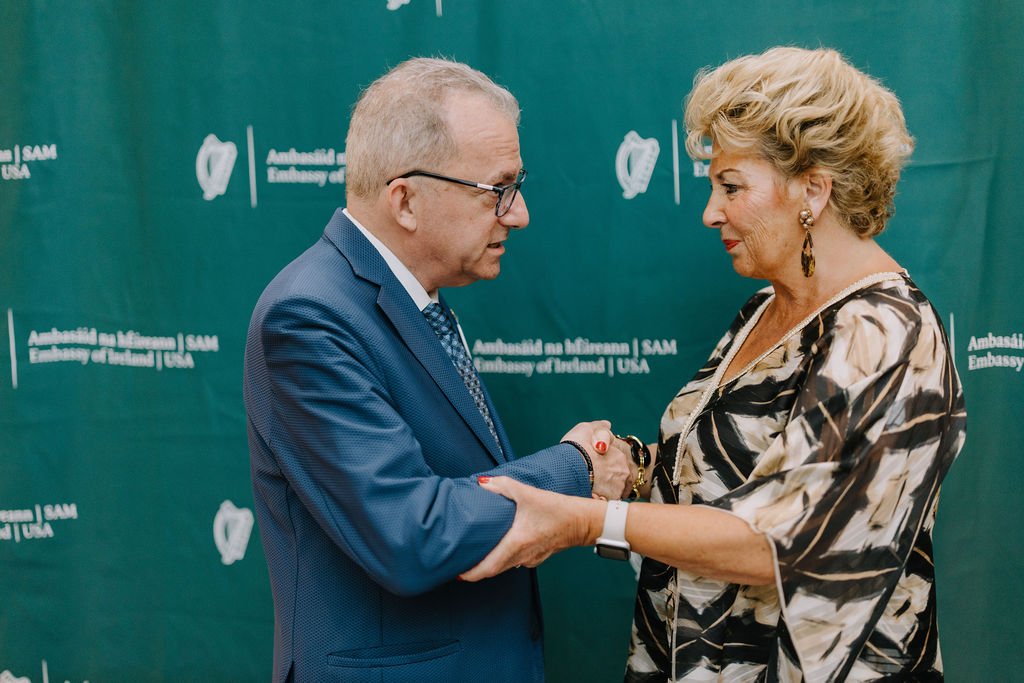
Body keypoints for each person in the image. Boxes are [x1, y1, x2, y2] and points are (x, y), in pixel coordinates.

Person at [462, 46, 966, 682]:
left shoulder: (886, 333)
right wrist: (629, 467)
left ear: (812, 189)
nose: (710, 212)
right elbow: (727, 475)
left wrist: (588, 520)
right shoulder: (764, 307)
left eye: (732, 186)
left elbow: (779, 540)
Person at [242, 57, 633, 683]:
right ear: (406, 201)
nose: (519, 213)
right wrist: (577, 466)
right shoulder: (309, 316)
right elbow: (411, 531)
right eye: (497, 189)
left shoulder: (406, 295)